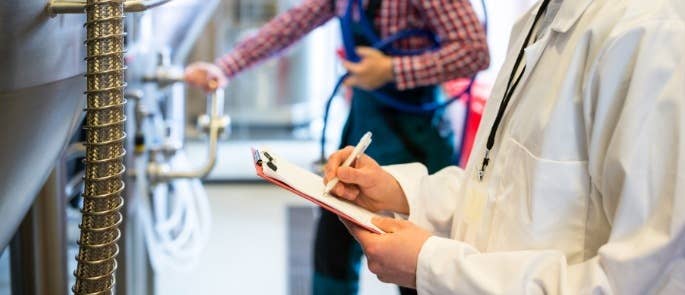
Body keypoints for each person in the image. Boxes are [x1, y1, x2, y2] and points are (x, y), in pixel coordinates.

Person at [322, 0, 685, 293]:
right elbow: (503, 189)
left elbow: (640, 280)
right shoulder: (539, 19)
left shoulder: (652, 34)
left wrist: (431, 265)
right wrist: (401, 193)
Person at [184, 0, 489, 294]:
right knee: (332, 253)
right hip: (364, 126)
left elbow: (475, 52)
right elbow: (293, 23)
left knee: (414, 266)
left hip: (416, 136)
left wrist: (393, 69)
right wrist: (225, 68)